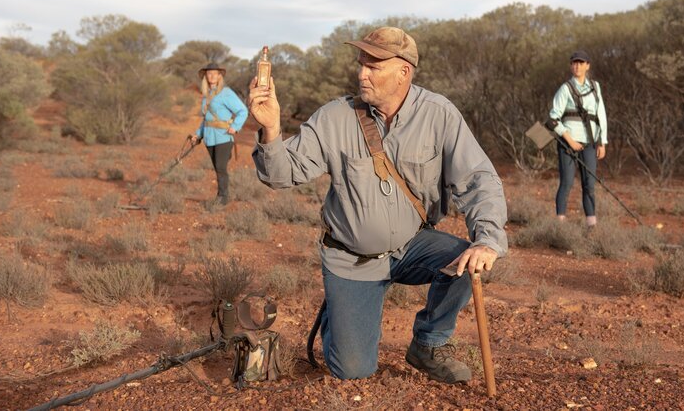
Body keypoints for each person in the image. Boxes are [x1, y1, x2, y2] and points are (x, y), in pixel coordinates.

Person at [248, 27, 507, 383]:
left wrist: (487, 239)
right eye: (361, 64)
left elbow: (479, 178)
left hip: (410, 245)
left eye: (374, 66)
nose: (362, 73)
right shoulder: (335, 117)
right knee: (353, 371)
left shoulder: (438, 114)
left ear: (404, 71)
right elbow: (280, 174)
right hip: (352, 258)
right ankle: (339, 314)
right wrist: (271, 131)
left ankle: (428, 344)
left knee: (465, 262)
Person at [548, 50, 608, 227]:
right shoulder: (565, 89)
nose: (577, 66)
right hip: (568, 144)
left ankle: (591, 224)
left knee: (589, 184)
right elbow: (552, 119)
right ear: (571, 65)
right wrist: (570, 141)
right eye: (574, 63)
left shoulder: (595, 87)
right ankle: (560, 225)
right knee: (566, 183)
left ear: (587, 66)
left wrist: (602, 142)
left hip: (589, 144)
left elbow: (601, 115)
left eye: (581, 63)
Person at [189, 62, 249, 205]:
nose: (212, 76)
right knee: (217, 168)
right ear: (205, 76)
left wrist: (235, 126)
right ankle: (221, 196)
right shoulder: (206, 95)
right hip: (209, 138)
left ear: (219, 76)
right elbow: (206, 119)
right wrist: (198, 134)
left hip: (223, 137)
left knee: (221, 168)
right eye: (209, 73)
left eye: (215, 73)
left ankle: (222, 198)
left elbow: (243, 111)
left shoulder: (226, 92)